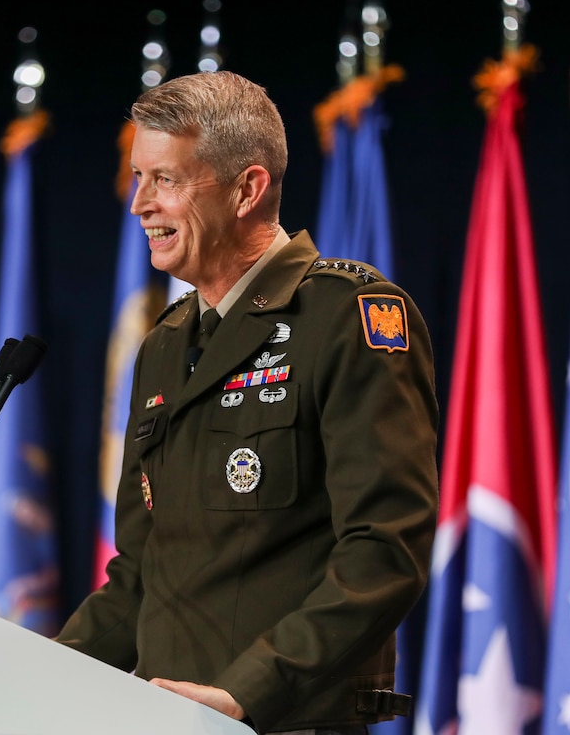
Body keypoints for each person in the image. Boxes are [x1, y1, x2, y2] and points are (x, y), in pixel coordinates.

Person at [54, 70, 439, 734]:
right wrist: (38, 677)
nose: (139, 203)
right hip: (163, 722)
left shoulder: (349, 317)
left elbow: (384, 551)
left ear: (247, 189)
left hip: (287, 720)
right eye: (137, 178)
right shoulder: (166, 345)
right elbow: (142, 571)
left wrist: (249, 692)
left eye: (164, 179)